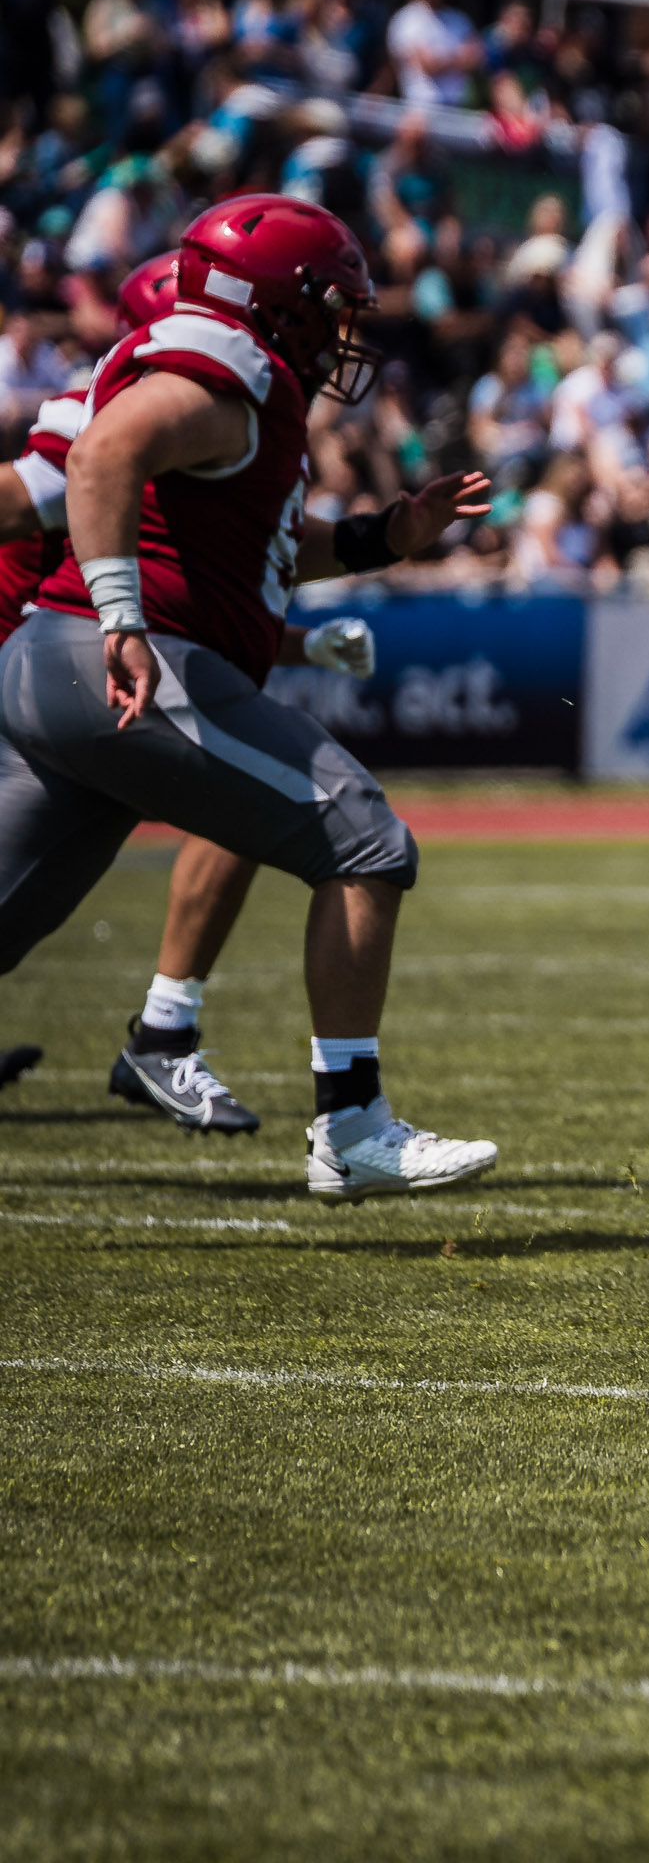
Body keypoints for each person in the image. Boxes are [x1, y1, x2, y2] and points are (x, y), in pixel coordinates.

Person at [0, 194, 497, 1198]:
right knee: (362, 836)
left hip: (61, 669)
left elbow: (260, 547)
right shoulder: (229, 366)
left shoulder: (243, 400)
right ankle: (352, 1125)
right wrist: (122, 619)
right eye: (333, 308)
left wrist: (383, 537)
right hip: (112, 662)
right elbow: (101, 456)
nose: (343, 334)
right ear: (280, 301)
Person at [0, 251, 378, 1136]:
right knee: (342, 823)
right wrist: (118, 616)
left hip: (71, 674)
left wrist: (371, 552)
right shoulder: (137, 413)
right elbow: (42, 495)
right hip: (50, 667)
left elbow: (202, 598)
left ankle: (167, 1030)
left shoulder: (217, 436)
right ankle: (185, 1039)